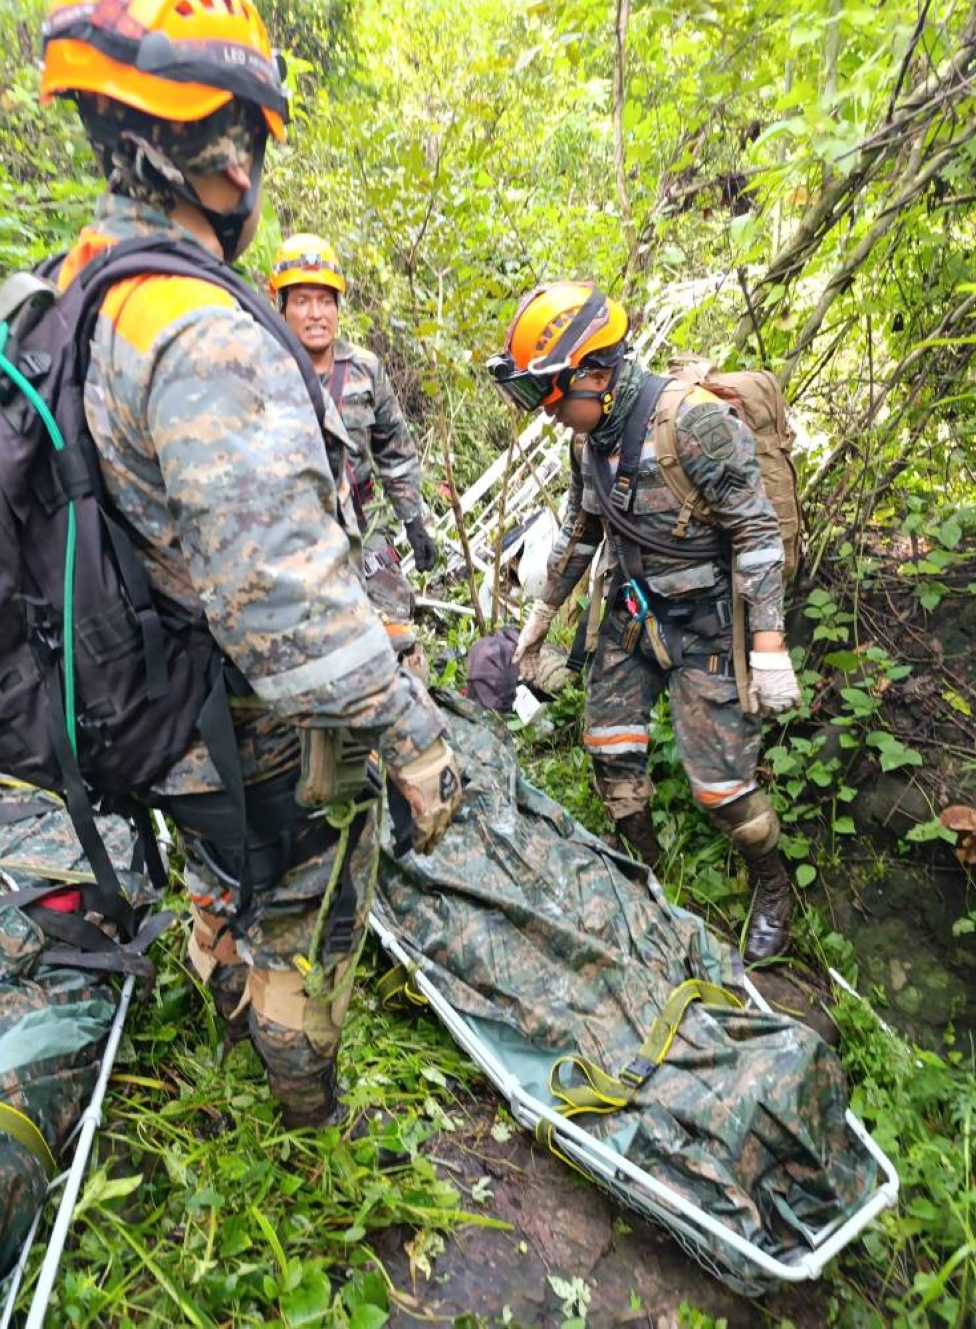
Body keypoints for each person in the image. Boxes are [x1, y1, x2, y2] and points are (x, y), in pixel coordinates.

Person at [39, 0, 461, 1127]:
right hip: (238, 714)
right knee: (307, 901)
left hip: (129, 696)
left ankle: (218, 987)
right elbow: (283, 603)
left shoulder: (62, 290)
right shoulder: (202, 334)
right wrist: (411, 737)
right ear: (225, 152)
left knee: (217, 871)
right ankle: (304, 1104)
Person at [488, 281, 801, 962]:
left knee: (720, 789)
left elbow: (757, 529)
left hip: (709, 626)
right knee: (609, 752)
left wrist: (770, 643)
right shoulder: (587, 438)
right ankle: (649, 877)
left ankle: (773, 886)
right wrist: (544, 612)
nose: (551, 415)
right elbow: (582, 525)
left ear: (595, 372)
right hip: (632, 616)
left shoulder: (694, 424)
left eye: (555, 397)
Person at [268, 234, 438, 571]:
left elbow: (395, 452)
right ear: (282, 307)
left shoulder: (364, 369)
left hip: (363, 528)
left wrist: (414, 521)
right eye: (302, 301)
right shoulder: (264, 372)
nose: (316, 314)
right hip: (293, 539)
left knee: (393, 621)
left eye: (326, 301)